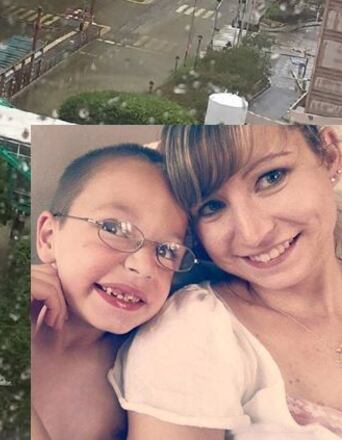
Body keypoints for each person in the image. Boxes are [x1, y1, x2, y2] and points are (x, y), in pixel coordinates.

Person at [109, 125, 342, 439]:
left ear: (329, 155)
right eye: (212, 207)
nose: (253, 233)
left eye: (271, 178)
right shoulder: (193, 332)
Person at [32, 144, 196, 439]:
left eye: (167, 250)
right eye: (116, 229)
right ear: (48, 237)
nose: (143, 267)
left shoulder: (149, 374)